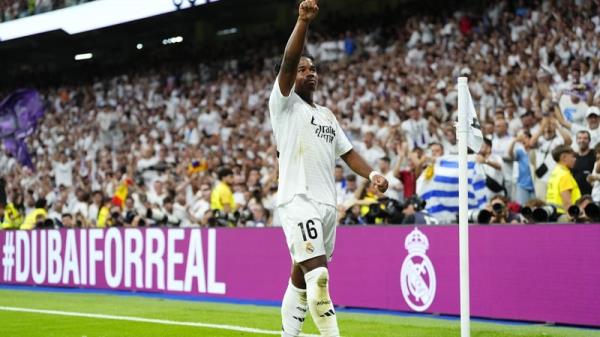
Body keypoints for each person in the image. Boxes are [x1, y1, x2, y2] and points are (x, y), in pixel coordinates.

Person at [269, 1, 388, 336]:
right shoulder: (284, 105)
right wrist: (303, 22)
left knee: (301, 275)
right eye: (305, 70)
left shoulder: (327, 116)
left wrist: (373, 174)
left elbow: (348, 153)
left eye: (314, 70)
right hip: (298, 200)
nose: (310, 74)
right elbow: (288, 63)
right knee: (318, 276)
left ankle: (287, 334)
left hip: (326, 206)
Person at [546, 145, 581, 215]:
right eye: (572, 156)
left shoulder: (555, 172)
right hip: (564, 215)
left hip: (553, 212)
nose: (575, 159)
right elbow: (567, 203)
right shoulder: (565, 175)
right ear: (564, 157)